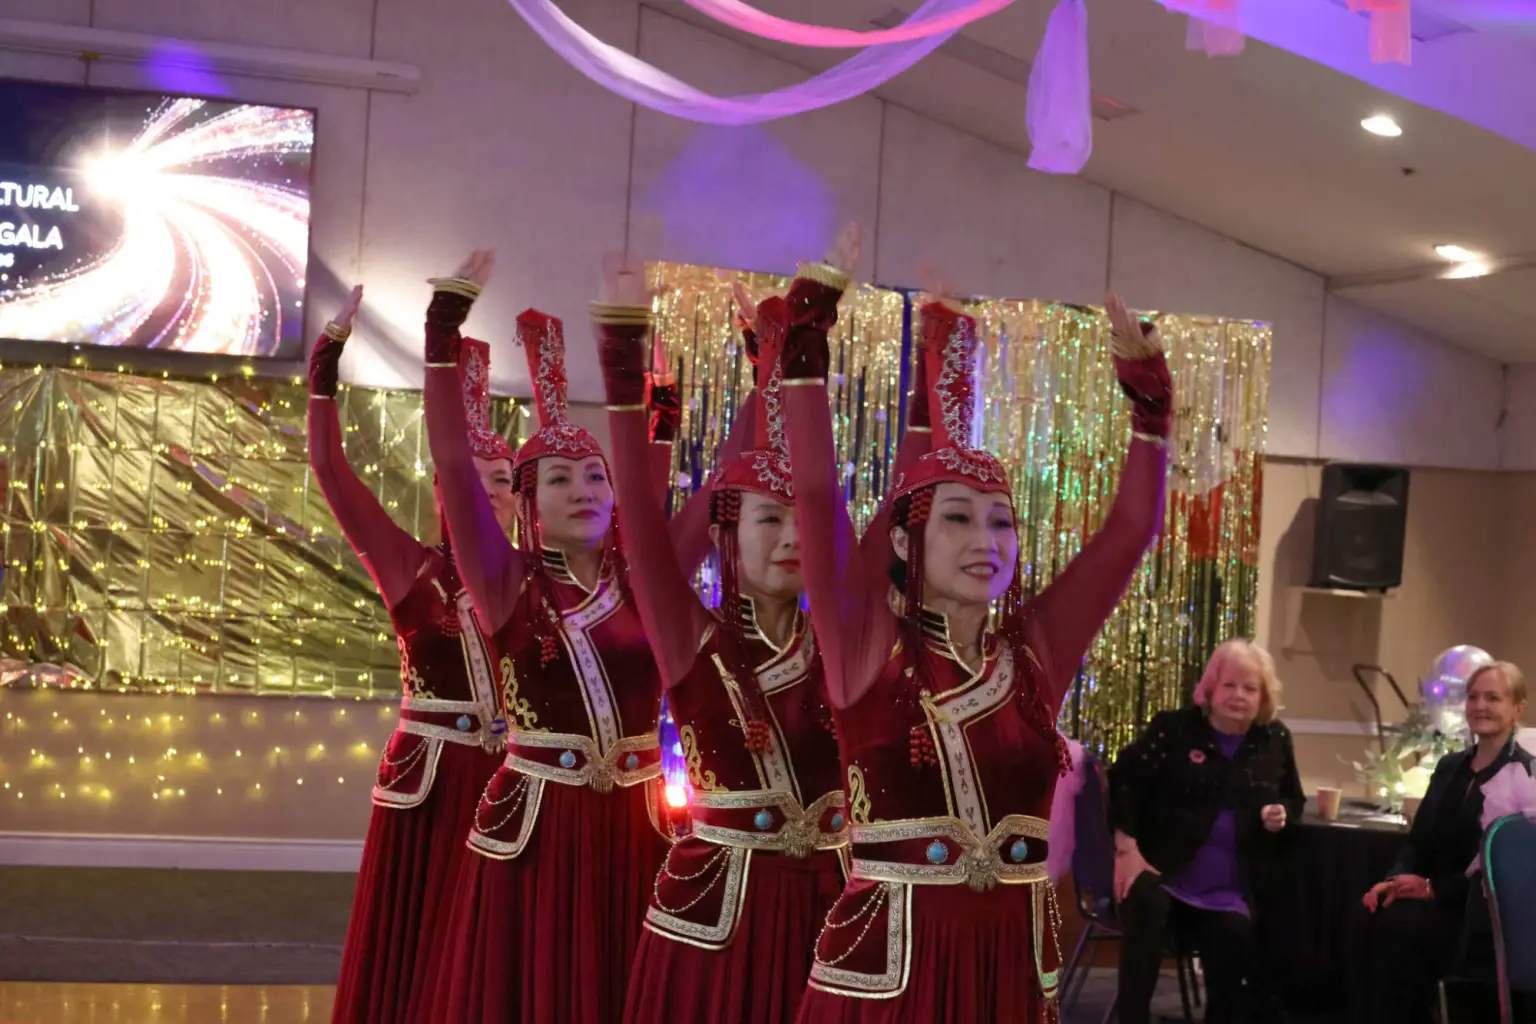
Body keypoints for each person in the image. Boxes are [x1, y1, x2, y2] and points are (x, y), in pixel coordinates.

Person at [782, 227, 1170, 1022]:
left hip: (1008, 965)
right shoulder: (866, 644)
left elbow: (1129, 530)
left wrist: (1150, 402)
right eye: (957, 518)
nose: (985, 541)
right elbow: (818, 498)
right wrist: (806, 332)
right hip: (888, 971)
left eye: (1001, 523)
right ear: (903, 540)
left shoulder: (1032, 653)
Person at [594, 266, 931, 1023]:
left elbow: (905, 496)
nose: (790, 536)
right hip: (716, 925)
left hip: (834, 914)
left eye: (797, 517)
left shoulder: (847, 641)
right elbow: (643, 528)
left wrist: (933, 371)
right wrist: (622, 344)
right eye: (765, 521)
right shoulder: (692, 638)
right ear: (726, 536)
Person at [411, 251, 726, 1024]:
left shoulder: (646, 577)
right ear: (527, 504)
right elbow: (454, 461)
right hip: (539, 828)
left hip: (637, 825)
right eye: (559, 480)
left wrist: (739, 364)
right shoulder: (506, 583)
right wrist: (441, 332)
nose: (584, 491)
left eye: (596, 479)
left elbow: (709, 479)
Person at [307, 286, 505, 1024]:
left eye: (504, 487)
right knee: (418, 946)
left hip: (511, 783)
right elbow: (332, 474)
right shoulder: (409, 568)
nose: (491, 500)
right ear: (446, 491)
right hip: (434, 780)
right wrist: (326, 366)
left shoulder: (536, 588)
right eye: (476, 484)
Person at [1108, 638, 1305, 1024]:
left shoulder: (1274, 739)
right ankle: (1131, 1017)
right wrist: (1126, 847)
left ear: (1263, 696)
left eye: (1251, 688)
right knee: (1148, 904)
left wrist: (1281, 812)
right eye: (1229, 685)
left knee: (1235, 934)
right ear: (1211, 688)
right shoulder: (1175, 729)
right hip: (1162, 871)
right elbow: (1122, 781)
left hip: (1229, 888)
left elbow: (1293, 799)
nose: (1239, 695)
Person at [1348, 661, 1533, 1024]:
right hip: (1427, 899)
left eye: (1493, 698)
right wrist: (1394, 879)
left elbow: (1503, 874)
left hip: (1477, 915)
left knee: (1399, 933)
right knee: (1365, 915)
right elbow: (1417, 843)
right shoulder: (1450, 766)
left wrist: (1432, 889)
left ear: (1517, 708)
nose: (1480, 706)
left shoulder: (1526, 775)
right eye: (1474, 697)